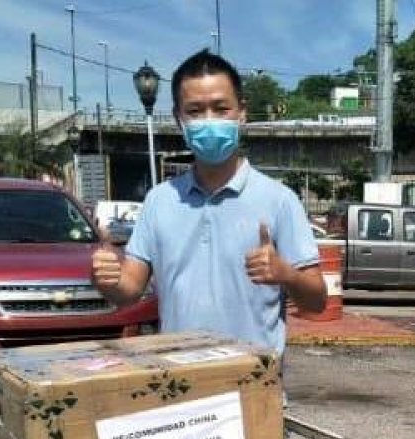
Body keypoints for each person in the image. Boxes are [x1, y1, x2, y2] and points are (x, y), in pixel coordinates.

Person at [90, 50, 325, 352]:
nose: (209, 120)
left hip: (252, 387)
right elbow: (130, 290)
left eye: (221, 108)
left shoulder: (279, 200)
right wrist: (106, 279)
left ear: (242, 113)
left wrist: (286, 274)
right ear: (179, 118)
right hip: (180, 385)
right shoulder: (159, 202)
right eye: (196, 111)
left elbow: (317, 302)